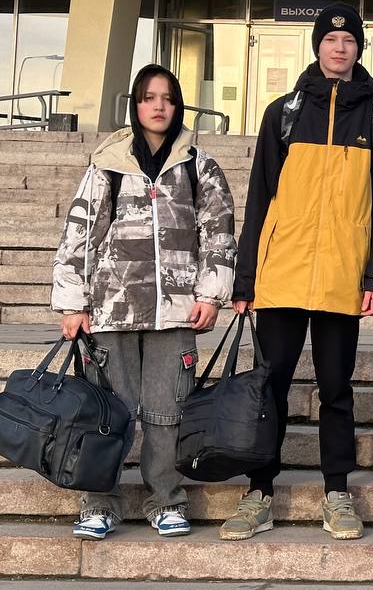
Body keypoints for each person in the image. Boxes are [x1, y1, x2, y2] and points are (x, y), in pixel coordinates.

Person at [220, 3, 373, 542]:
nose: (339, 48)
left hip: (343, 274)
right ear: (318, 45)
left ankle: (337, 492)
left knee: (336, 389)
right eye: (330, 40)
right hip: (282, 271)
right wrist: (246, 278)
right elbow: (259, 198)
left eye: (349, 41)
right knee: (270, 386)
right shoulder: (283, 112)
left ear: (359, 49)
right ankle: (259, 491)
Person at [51, 64, 236, 540]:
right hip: (111, 310)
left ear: (178, 106)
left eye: (168, 98)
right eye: (149, 98)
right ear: (135, 105)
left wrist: (211, 294)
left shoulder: (199, 165)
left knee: (167, 413)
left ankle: (166, 500)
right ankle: (99, 504)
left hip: (175, 312)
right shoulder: (107, 163)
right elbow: (80, 235)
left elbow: (218, 233)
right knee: (105, 412)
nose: (159, 106)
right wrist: (72, 303)